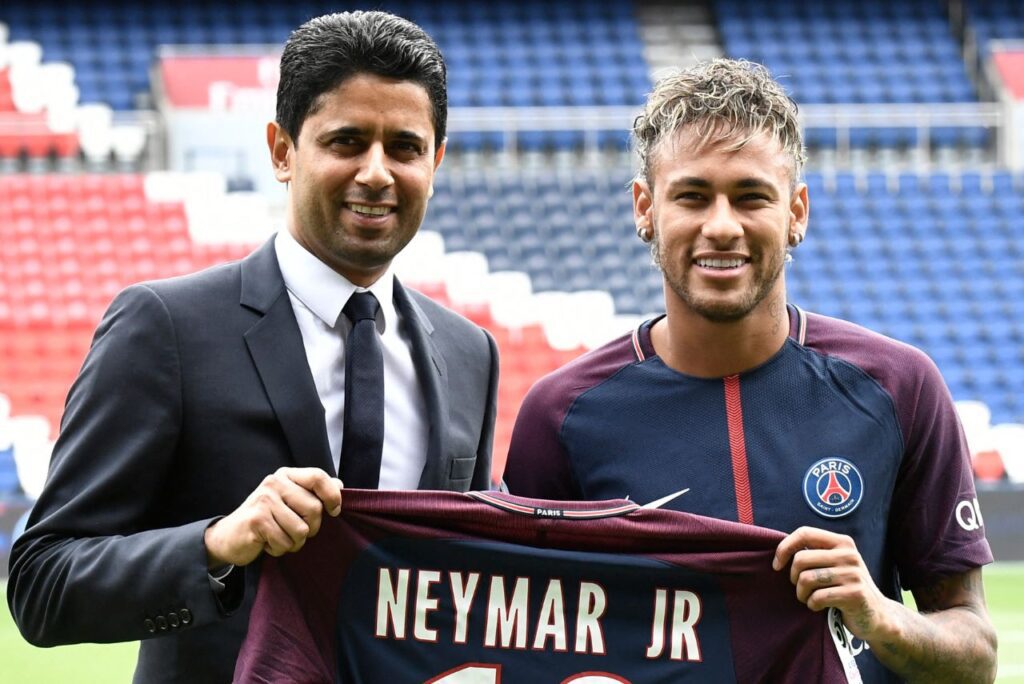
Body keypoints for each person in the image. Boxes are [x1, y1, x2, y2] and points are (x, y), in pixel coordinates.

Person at [8, 11, 498, 683]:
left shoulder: (470, 354)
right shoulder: (166, 328)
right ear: (281, 150)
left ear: (436, 162)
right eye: (347, 141)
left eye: (405, 147)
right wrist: (217, 544)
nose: (378, 172)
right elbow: (43, 584)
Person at [503, 58, 997, 683]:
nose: (721, 226)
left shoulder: (901, 388)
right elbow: (522, 647)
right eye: (692, 195)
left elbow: (976, 656)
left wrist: (880, 615)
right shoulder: (561, 415)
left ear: (796, 212)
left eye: (750, 196)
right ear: (644, 209)